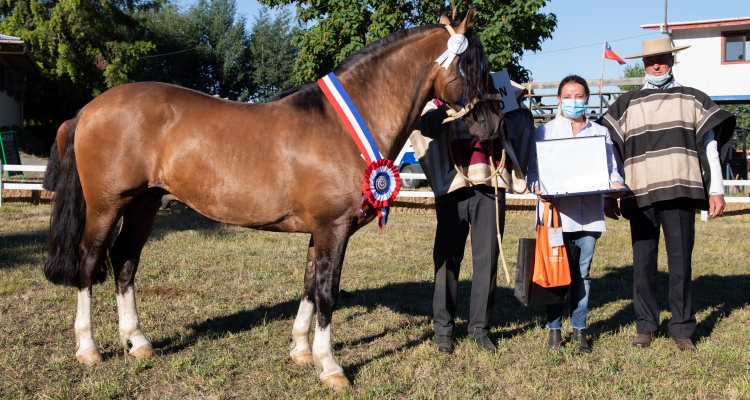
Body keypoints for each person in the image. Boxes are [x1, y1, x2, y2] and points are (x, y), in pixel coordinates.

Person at [600, 37, 736, 351]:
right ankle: (645, 326)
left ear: (672, 61)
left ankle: (682, 329)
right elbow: (607, 152)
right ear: (644, 65)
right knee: (643, 264)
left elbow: (710, 148)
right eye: (650, 61)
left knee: (680, 264)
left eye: (661, 59)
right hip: (640, 192)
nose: (656, 65)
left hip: (681, 192)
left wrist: (716, 190)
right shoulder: (626, 103)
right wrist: (609, 193)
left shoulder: (693, 99)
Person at [413, 96, 529, 354]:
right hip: (452, 186)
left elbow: (520, 121)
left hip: (490, 185)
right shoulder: (437, 97)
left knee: (487, 259)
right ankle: (443, 330)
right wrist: (448, 110)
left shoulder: (497, 90)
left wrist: (506, 115)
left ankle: (480, 329)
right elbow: (425, 126)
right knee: (447, 260)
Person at [526, 75, 626, 352]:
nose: (573, 101)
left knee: (582, 273)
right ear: (559, 99)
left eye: (579, 96)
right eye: (568, 97)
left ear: (587, 99)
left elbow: (611, 169)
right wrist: (536, 186)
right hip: (554, 216)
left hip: (588, 215)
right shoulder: (544, 132)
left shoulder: (599, 132)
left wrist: (616, 186)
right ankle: (554, 330)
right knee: (554, 273)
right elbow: (533, 171)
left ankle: (579, 329)